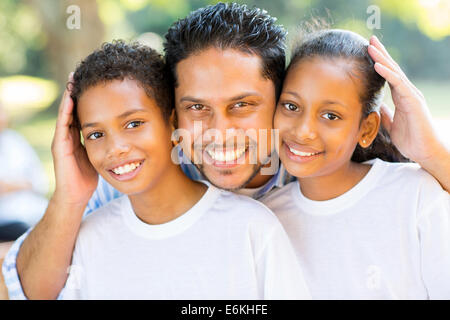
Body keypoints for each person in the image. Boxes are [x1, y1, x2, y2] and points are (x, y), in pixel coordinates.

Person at [3, 3, 449, 299]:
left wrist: (430, 153)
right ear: (172, 113)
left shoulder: (313, 168)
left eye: (243, 106)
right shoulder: (138, 183)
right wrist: (70, 196)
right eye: (197, 107)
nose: (219, 133)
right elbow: (24, 290)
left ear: (281, 99)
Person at [62, 41, 309, 299]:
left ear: (173, 122)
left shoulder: (252, 226)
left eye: (134, 123)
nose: (116, 148)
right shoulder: (91, 237)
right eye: (96, 134)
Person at [261, 29, 450, 299]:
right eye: (291, 106)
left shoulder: (415, 196)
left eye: (330, 115)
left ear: (367, 129)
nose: (303, 131)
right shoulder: (267, 217)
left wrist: (432, 151)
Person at [0, 103, 48, 241]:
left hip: (34, 209)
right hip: (7, 219)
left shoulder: (15, 140)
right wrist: (21, 184)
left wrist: (10, 186)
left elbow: (39, 181)